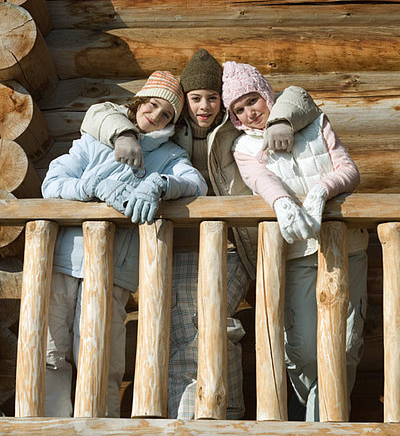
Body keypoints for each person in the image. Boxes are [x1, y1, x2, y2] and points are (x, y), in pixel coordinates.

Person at [79, 49, 322, 419]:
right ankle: (208, 415)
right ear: (185, 102)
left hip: (235, 247)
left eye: (212, 98)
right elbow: (101, 112)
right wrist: (125, 134)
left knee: (207, 323)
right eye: (195, 98)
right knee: (189, 331)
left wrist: (280, 120)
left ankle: (205, 417)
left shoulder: (235, 129)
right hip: (179, 249)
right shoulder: (168, 129)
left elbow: (295, 96)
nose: (204, 106)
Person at [41, 71, 207, 418]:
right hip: (65, 261)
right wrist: (90, 188)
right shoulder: (96, 141)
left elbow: (195, 184)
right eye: (153, 105)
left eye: (167, 115)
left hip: (115, 270)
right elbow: (53, 182)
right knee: (50, 352)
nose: (156, 116)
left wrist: (159, 184)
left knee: (102, 355)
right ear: (138, 101)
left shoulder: (170, 155)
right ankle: (47, 425)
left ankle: (100, 426)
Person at [221, 60, 368, 421]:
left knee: (346, 342)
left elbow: (348, 170)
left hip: (345, 246)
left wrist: (321, 191)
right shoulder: (243, 147)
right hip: (296, 250)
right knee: (301, 348)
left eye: (252, 100)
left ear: (265, 94)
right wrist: (284, 203)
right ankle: (312, 405)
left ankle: (324, 420)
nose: (249, 112)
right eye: (238, 109)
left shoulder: (315, 123)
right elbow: (262, 182)